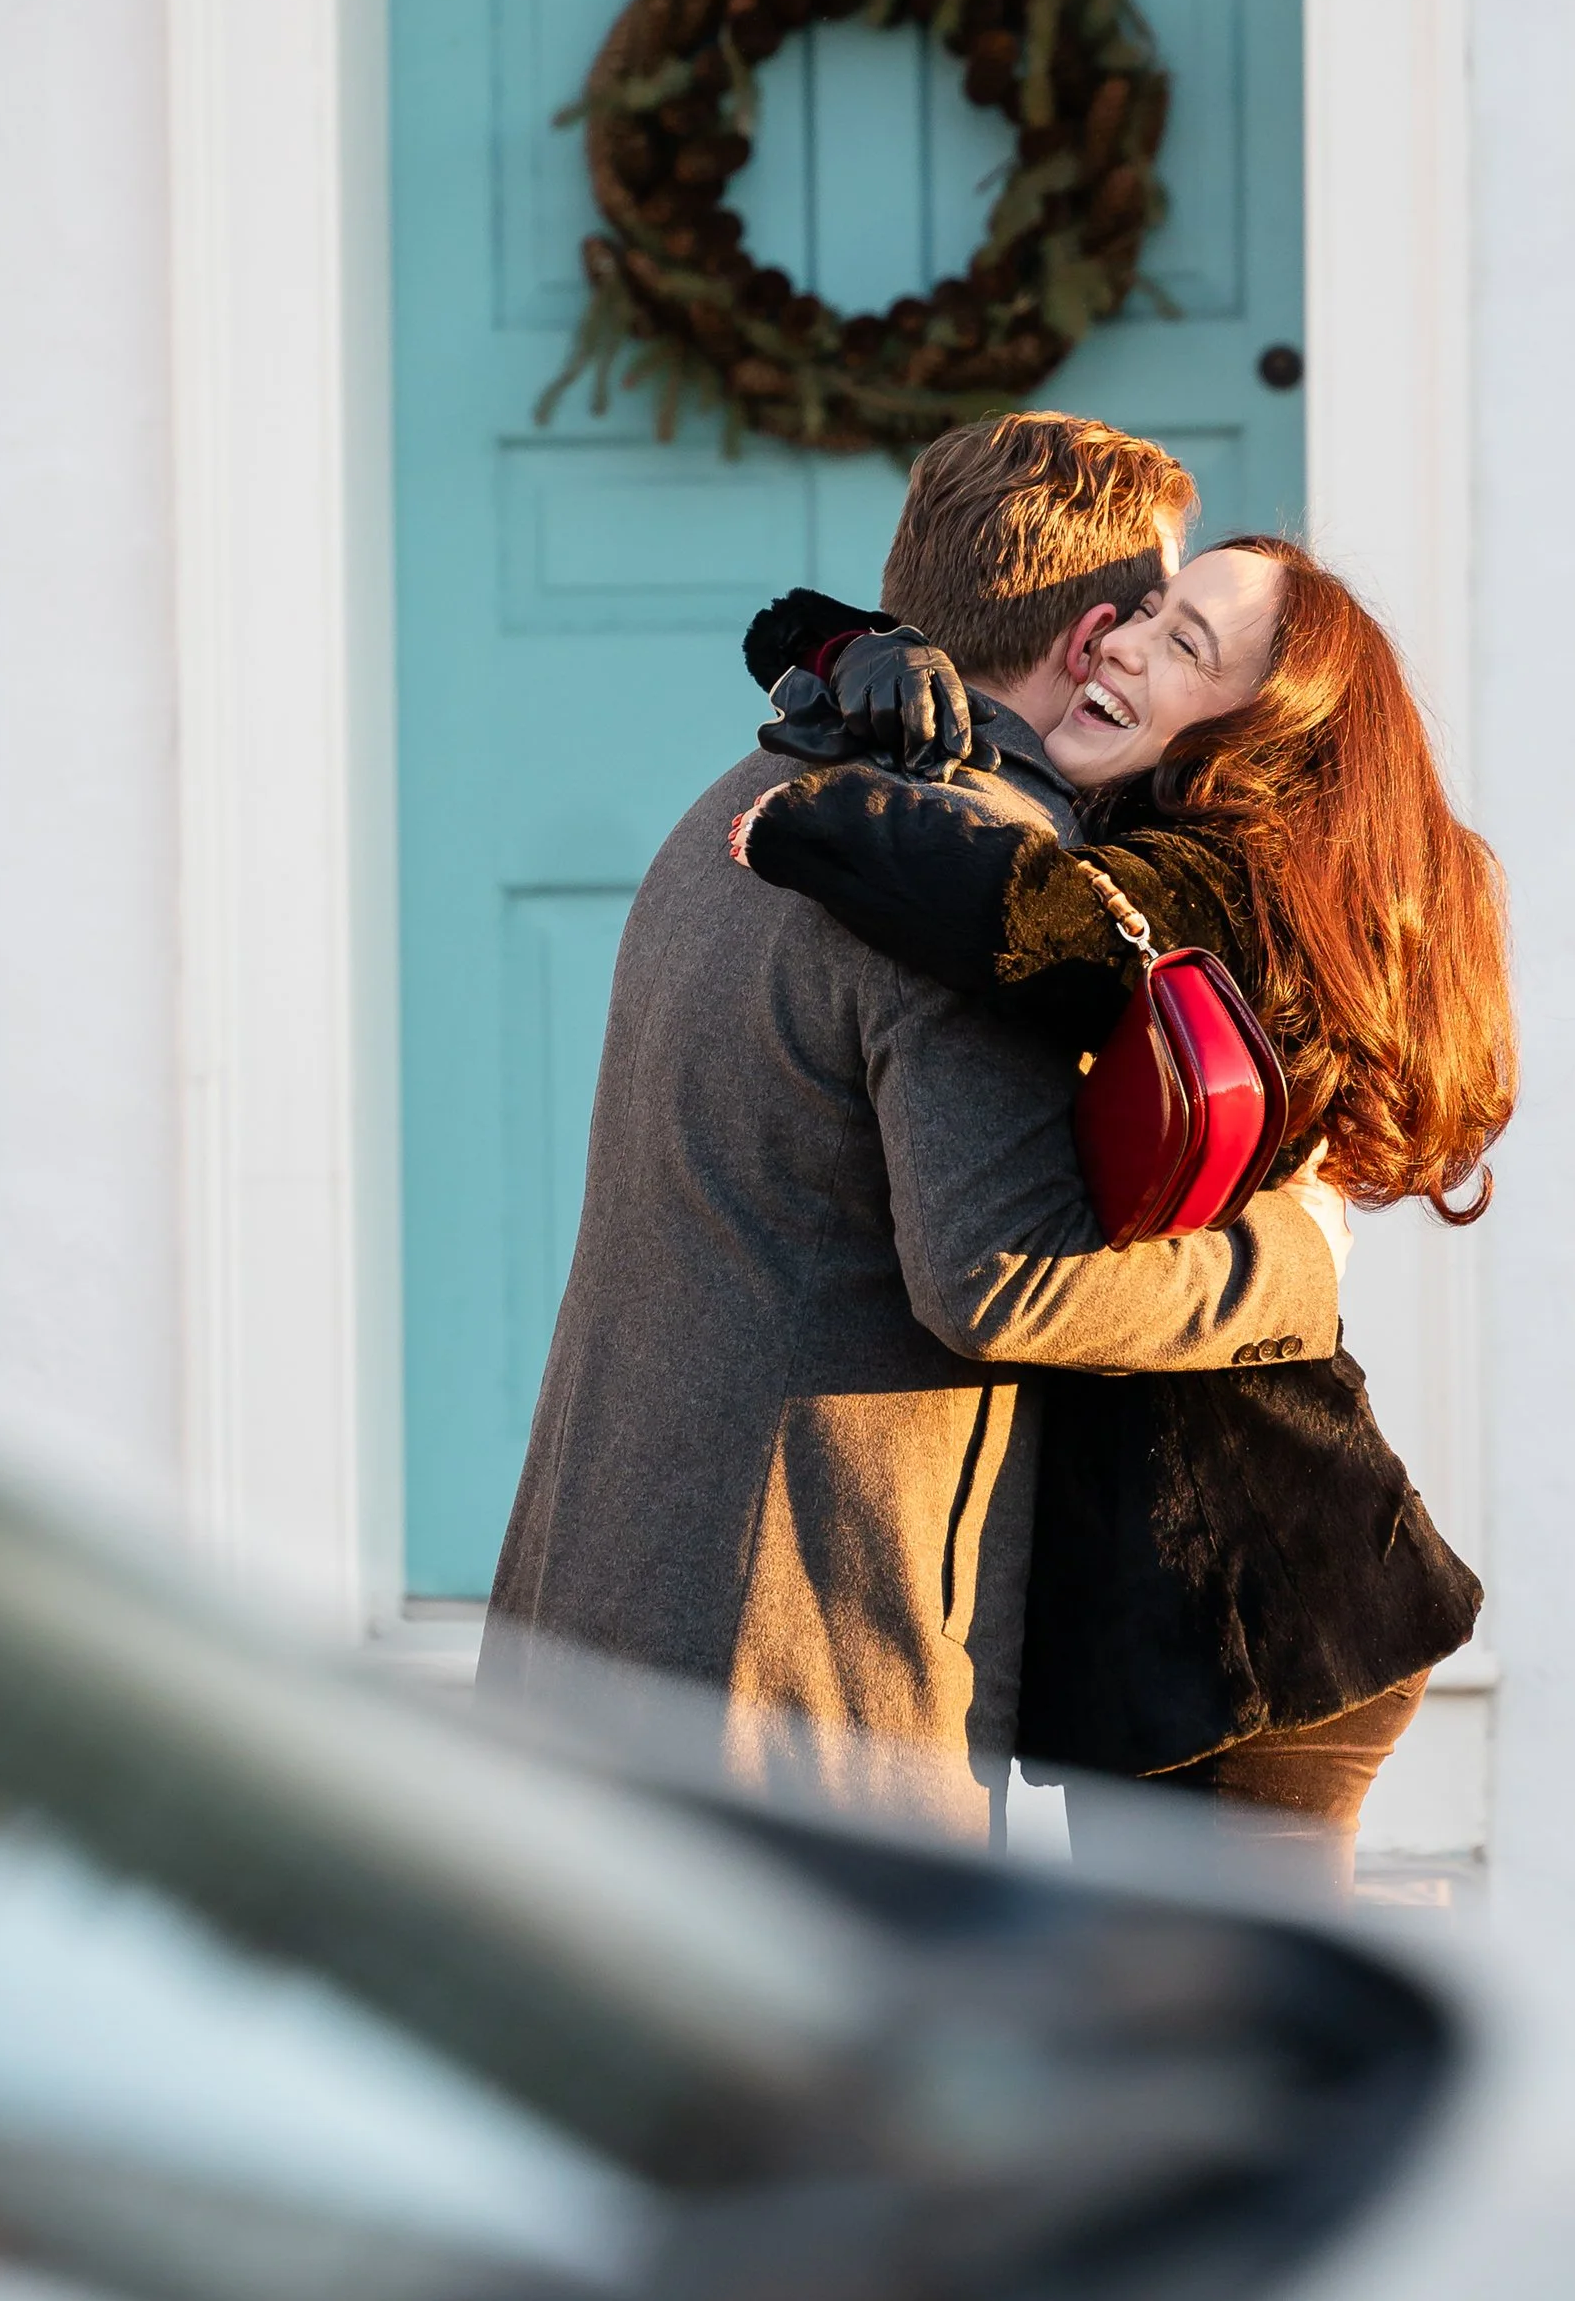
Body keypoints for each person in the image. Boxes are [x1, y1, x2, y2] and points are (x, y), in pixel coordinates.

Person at [481, 416, 1351, 1843]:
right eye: (1155, 616)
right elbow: (1003, 1276)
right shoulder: (963, 878)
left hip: (588, 1616)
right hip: (797, 1687)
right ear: (1093, 636)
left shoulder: (754, 790)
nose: (1151, 653)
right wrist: (1296, 1261)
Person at [732, 534, 1514, 1888]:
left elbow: (1020, 914)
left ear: (1257, 737)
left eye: (1184, 645)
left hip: (1248, 1620)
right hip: (1179, 1627)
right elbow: (774, 624)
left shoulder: (1229, 886)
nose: (1124, 643)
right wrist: (857, 650)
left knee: (1222, 2016)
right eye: (1150, 608)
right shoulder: (1147, 834)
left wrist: (809, 821)